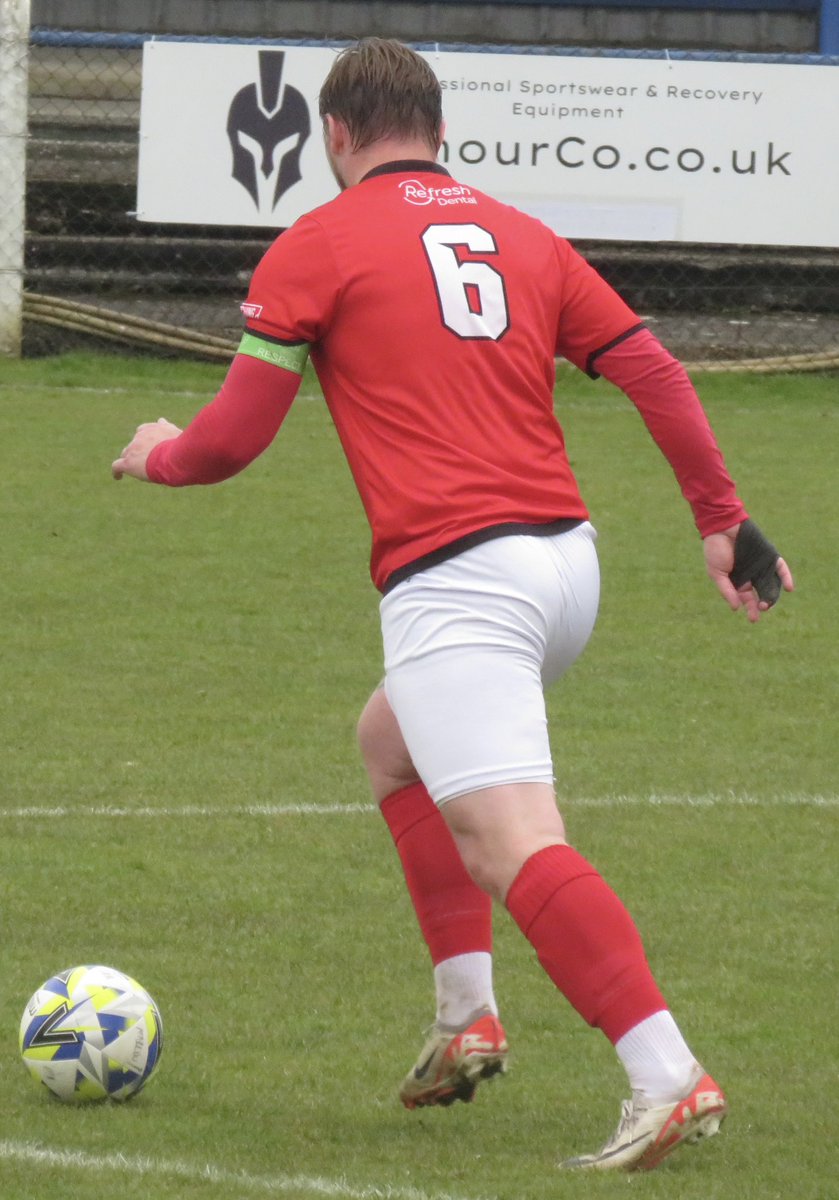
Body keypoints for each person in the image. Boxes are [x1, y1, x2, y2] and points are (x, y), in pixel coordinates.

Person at [112, 38, 794, 1171]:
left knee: (507, 838)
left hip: (460, 580)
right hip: (565, 568)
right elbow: (654, 371)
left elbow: (230, 441)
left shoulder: (316, 242)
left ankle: (662, 1071)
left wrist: (156, 455)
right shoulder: (522, 236)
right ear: (439, 129)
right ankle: (463, 1016)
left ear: (333, 135)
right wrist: (719, 520)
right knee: (389, 744)